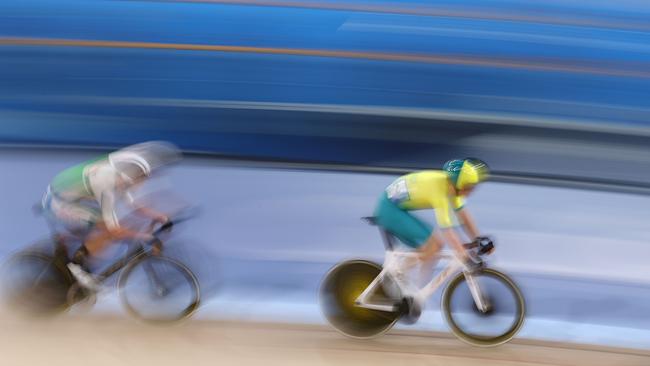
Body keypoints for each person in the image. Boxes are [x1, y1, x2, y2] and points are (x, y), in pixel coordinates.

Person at [41, 141, 182, 290]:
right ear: (132, 172)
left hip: (74, 199)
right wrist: (147, 237)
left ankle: (70, 251)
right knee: (109, 229)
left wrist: (162, 218)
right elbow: (113, 229)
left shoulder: (125, 178)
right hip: (58, 202)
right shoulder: (105, 179)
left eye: (145, 177)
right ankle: (76, 266)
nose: (143, 181)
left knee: (114, 229)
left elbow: (135, 206)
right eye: (142, 176)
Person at [373, 158, 490, 294]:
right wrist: (464, 255)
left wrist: (479, 238)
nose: (471, 191)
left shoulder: (453, 187)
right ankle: (399, 279)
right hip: (388, 209)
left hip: (395, 207)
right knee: (434, 245)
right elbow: (447, 231)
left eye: (473, 187)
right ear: (458, 184)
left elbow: (464, 216)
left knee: (432, 247)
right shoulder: (440, 190)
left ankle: (414, 293)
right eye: (468, 187)